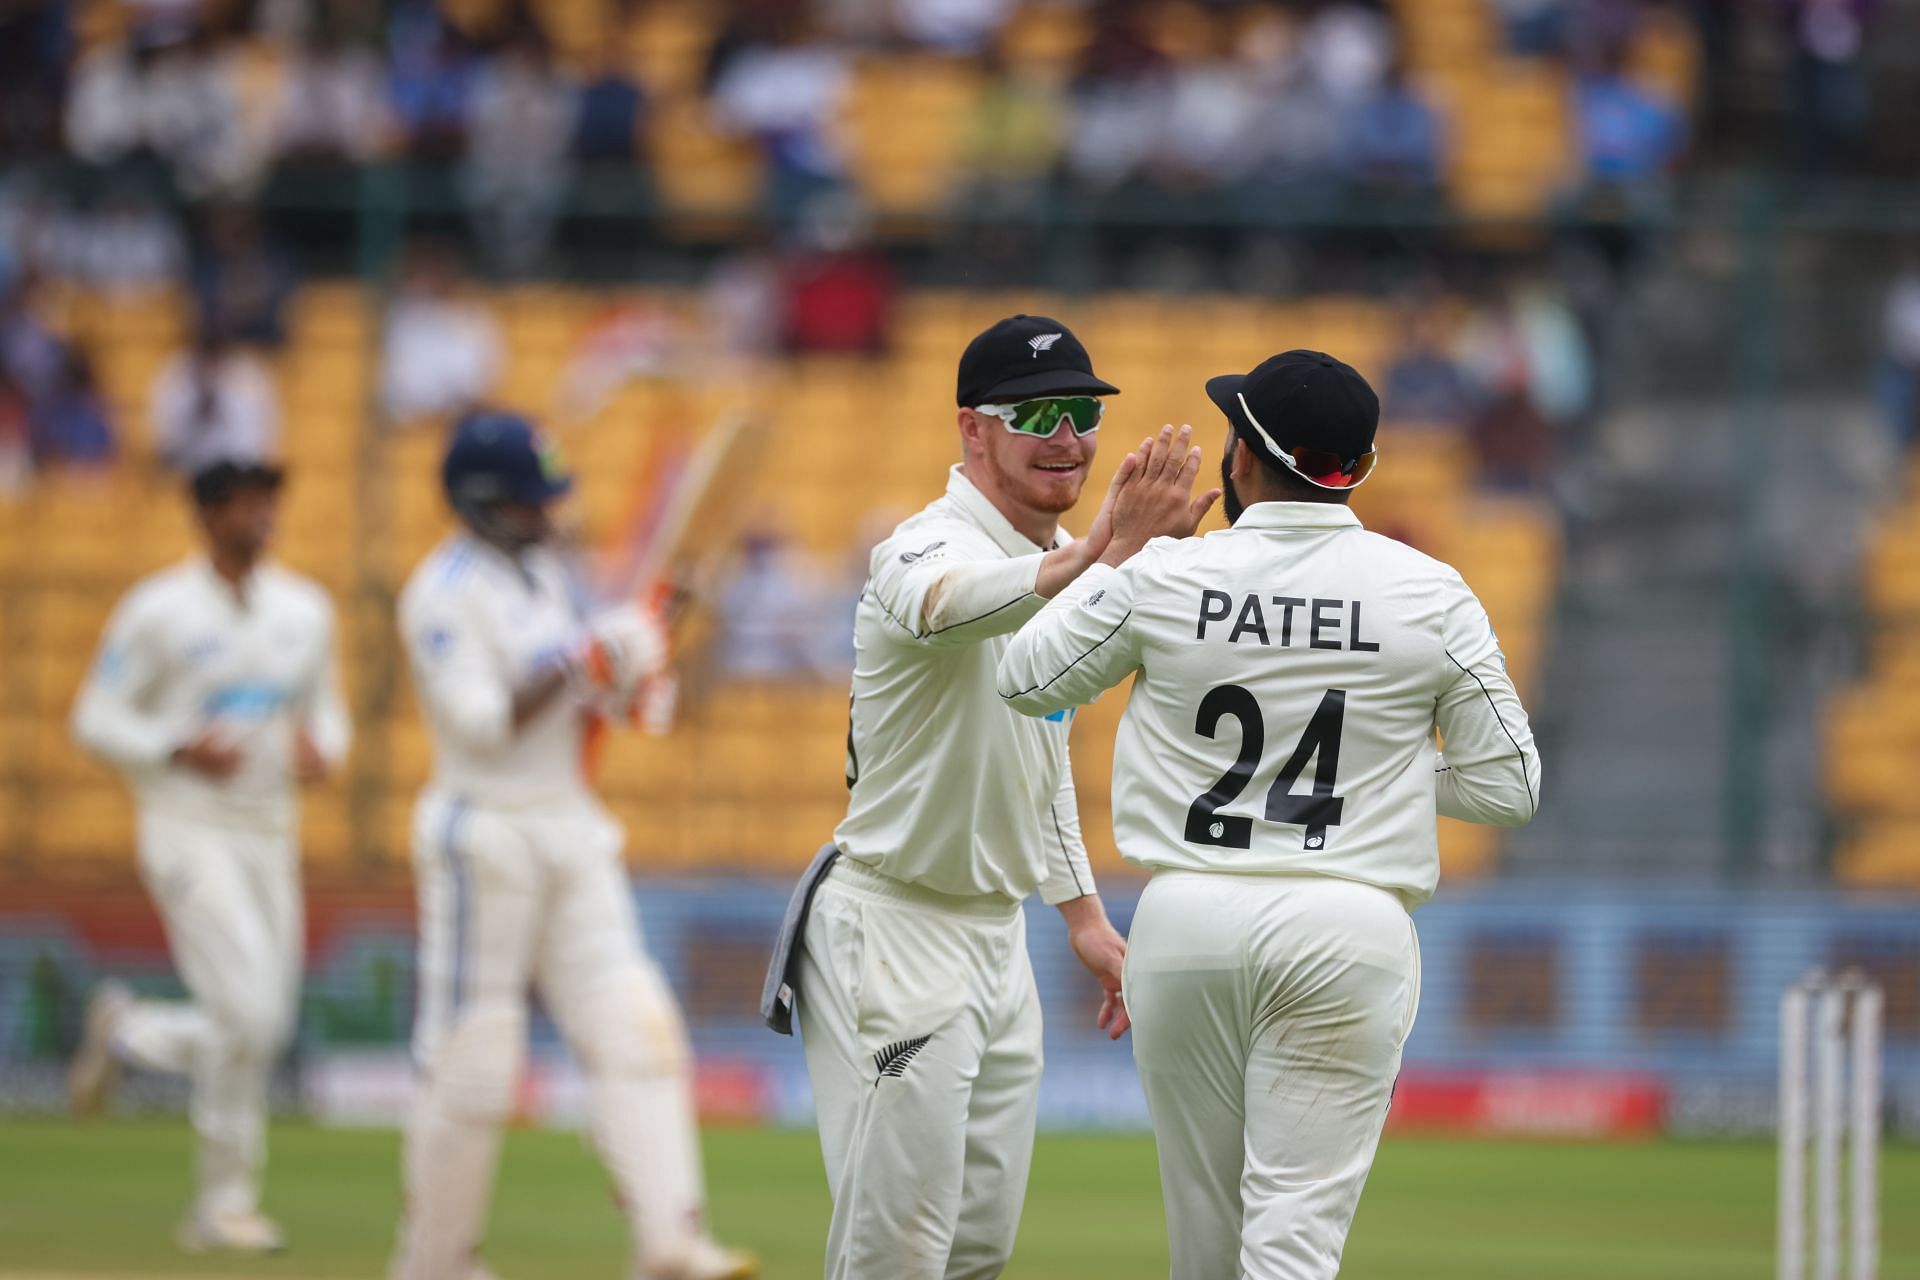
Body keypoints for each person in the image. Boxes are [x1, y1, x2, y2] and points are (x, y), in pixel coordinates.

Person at [998, 351, 1542, 1279]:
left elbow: (1025, 678)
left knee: (1205, 1250)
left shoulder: (1167, 574)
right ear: (1357, 469)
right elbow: (1507, 789)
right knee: (1292, 1242)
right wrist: (1383, 776)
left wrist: (1121, 547)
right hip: (1347, 923)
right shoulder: (1429, 591)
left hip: (1186, 921)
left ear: (1242, 457)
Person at [762, 315, 1155, 1279]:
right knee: (897, 1250)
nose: (1068, 436)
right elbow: (950, 607)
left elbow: (1043, 753)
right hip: (895, 923)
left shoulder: (1061, 565)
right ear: (972, 431)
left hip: (996, 938)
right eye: (1037, 414)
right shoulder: (917, 547)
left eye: (1082, 412)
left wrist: (1084, 918)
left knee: (978, 1248)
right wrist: (1097, 557)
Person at [391, 411, 754, 1280]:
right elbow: (482, 725)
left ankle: (669, 1245)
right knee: (477, 1062)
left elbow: (586, 703)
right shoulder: (441, 593)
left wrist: (630, 673)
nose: (552, 512)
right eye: (532, 501)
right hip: (485, 832)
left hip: (569, 826)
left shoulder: (542, 578)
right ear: (484, 504)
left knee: (639, 1031)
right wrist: (583, 655)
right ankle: (433, 1264)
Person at [66, 460, 350, 1254]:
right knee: (250, 1016)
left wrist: (323, 748)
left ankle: (131, 1033)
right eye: (249, 504)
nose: (265, 517)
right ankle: (222, 1208)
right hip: (186, 824)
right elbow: (94, 717)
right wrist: (175, 747)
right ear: (208, 512)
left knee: (265, 1023)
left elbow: (327, 709)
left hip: (271, 828)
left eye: (272, 503)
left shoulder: (304, 609)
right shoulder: (157, 611)